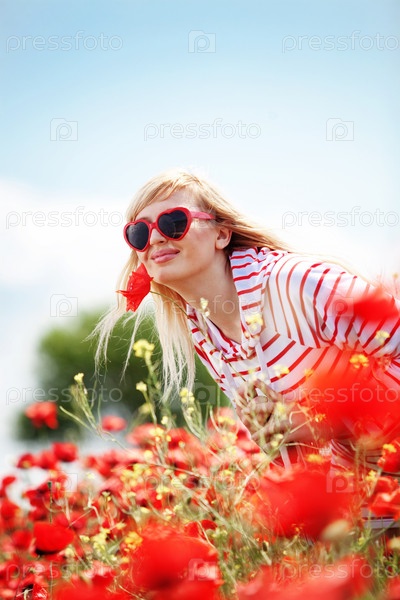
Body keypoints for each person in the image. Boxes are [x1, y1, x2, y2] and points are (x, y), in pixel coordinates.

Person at [95, 169, 400, 469]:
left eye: (173, 222)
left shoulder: (296, 284)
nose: (155, 237)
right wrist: (277, 434)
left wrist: (322, 423)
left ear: (221, 234)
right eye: (139, 232)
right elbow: (302, 444)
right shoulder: (206, 334)